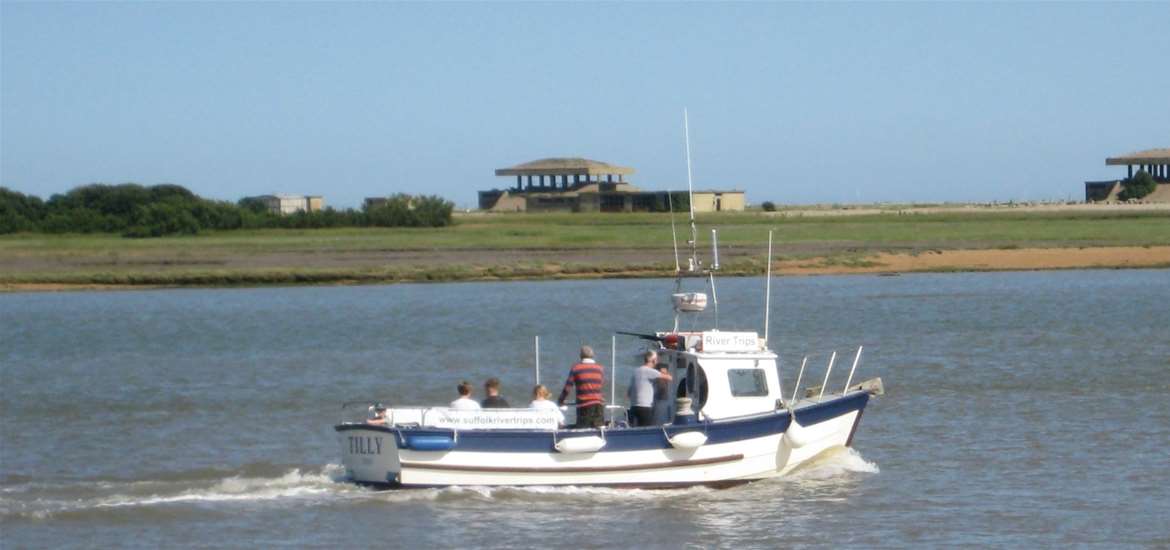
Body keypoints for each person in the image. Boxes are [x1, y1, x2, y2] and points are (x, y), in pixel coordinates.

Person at [557, 345, 606, 428]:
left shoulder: (576, 368)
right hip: (598, 405)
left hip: (584, 406)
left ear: (581, 356)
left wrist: (561, 401)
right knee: (599, 432)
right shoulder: (600, 368)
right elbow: (599, 385)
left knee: (584, 433)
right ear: (593, 355)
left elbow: (567, 388)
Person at [627, 350, 672, 426]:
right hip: (644, 408)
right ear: (653, 360)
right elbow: (670, 378)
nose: (657, 362)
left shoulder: (636, 371)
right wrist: (663, 371)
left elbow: (628, 393)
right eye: (657, 360)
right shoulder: (650, 371)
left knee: (635, 430)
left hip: (633, 408)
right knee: (645, 431)